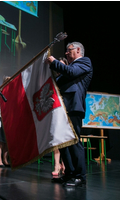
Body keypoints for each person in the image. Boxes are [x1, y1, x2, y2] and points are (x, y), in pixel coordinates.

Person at [46, 42, 93, 187]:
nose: (66, 53)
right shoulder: (69, 68)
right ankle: (70, 174)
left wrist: (54, 62)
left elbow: (71, 72)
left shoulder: (85, 62)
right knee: (63, 143)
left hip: (73, 106)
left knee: (73, 141)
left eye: (69, 50)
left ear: (78, 50)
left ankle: (80, 176)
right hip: (62, 107)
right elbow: (59, 80)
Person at [52, 57, 68, 176]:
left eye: (61, 65)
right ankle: (57, 165)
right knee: (57, 141)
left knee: (66, 140)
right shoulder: (54, 79)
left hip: (67, 111)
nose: (59, 68)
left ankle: (65, 164)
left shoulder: (69, 78)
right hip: (56, 111)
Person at [0, 77, 10, 168]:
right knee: (0, 141)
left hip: (9, 119)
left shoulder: (12, 94)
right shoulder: (0, 92)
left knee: (7, 141)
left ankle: (5, 159)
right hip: (1, 118)